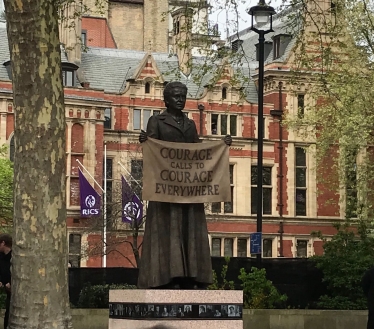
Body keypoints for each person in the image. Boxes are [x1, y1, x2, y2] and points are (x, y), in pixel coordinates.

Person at [137, 81, 232, 289]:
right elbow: (152, 152)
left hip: (189, 190)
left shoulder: (190, 124)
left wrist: (220, 146)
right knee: (167, 230)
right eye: (176, 96)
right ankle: (165, 277)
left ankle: (192, 276)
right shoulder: (156, 121)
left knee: (191, 229)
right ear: (166, 99)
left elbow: (198, 153)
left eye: (183, 96)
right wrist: (145, 140)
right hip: (166, 191)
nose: (180, 100)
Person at [0, 233, 12, 329]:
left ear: (3, 243)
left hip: (12, 289)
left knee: (10, 312)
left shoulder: (14, 256)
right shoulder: (0, 256)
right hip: (4, 287)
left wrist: (11, 283)